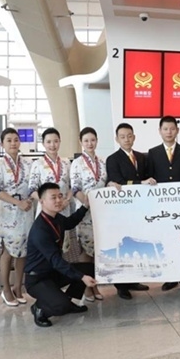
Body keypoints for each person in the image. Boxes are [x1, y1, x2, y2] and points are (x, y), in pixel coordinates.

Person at [24, 183, 98, 327]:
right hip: (37, 279)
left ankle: (67, 302)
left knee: (89, 268)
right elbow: (56, 260)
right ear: (42, 201)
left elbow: (70, 223)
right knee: (61, 306)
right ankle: (40, 308)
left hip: (53, 272)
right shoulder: (40, 229)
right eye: (53, 198)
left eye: (60, 196)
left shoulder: (55, 218)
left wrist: (85, 206)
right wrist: (81, 277)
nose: (58, 200)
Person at [146, 116, 180, 295]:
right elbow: (149, 177)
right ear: (160, 131)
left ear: (177, 130)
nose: (169, 132)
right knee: (166, 243)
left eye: (172, 129)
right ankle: (171, 277)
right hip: (162, 209)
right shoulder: (152, 153)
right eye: (165, 129)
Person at [105, 123, 151, 300]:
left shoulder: (141, 157)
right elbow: (118, 181)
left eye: (129, 136)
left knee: (136, 243)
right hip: (122, 209)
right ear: (117, 139)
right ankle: (121, 285)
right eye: (122, 136)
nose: (126, 139)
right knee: (122, 244)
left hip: (139, 208)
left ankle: (133, 280)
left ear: (134, 137)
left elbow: (147, 177)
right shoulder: (113, 159)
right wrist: (141, 183)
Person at [0, 128, 35, 307]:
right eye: (8, 140)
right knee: (8, 250)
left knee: (23, 250)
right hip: (9, 212)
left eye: (15, 139)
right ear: (2, 143)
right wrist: (18, 203)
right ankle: (6, 289)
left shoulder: (28, 163)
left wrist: (29, 200)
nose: (13, 143)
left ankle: (18, 287)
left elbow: (34, 185)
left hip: (26, 211)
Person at [70, 127, 106, 303]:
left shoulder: (102, 162)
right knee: (86, 250)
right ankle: (86, 287)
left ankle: (95, 284)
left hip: (101, 213)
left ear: (97, 141)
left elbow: (106, 184)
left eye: (92, 140)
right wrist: (86, 202)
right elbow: (75, 188)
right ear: (81, 142)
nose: (90, 143)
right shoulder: (77, 163)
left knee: (97, 250)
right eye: (86, 141)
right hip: (84, 212)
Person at [29, 128, 73, 251]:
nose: (52, 145)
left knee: (62, 245)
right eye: (48, 142)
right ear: (43, 143)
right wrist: (46, 202)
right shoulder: (37, 164)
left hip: (63, 208)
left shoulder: (66, 163)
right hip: (46, 210)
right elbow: (32, 190)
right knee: (46, 246)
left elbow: (72, 186)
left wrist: (67, 200)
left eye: (55, 141)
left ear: (60, 142)